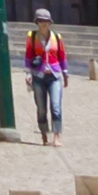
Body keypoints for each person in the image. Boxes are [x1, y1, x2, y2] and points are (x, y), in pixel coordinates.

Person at [23, 11, 70, 146]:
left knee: (56, 106)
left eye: (46, 21)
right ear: (37, 22)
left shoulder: (57, 37)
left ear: (50, 22)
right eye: (41, 21)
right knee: (41, 108)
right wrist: (28, 73)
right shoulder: (32, 37)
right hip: (38, 76)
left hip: (55, 76)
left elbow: (62, 55)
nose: (44, 23)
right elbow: (28, 55)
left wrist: (65, 73)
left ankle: (57, 136)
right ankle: (44, 135)